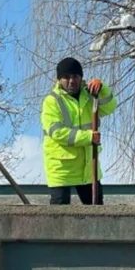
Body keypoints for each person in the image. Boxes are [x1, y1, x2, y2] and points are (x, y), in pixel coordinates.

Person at [40, 57, 117, 205]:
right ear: (59, 80)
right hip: (61, 169)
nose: (71, 81)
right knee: (59, 216)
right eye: (66, 77)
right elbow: (56, 131)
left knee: (97, 214)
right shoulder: (52, 101)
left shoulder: (90, 95)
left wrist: (102, 89)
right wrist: (88, 137)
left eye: (75, 76)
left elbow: (110, 107)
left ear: (81, 77)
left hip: (89, 167)